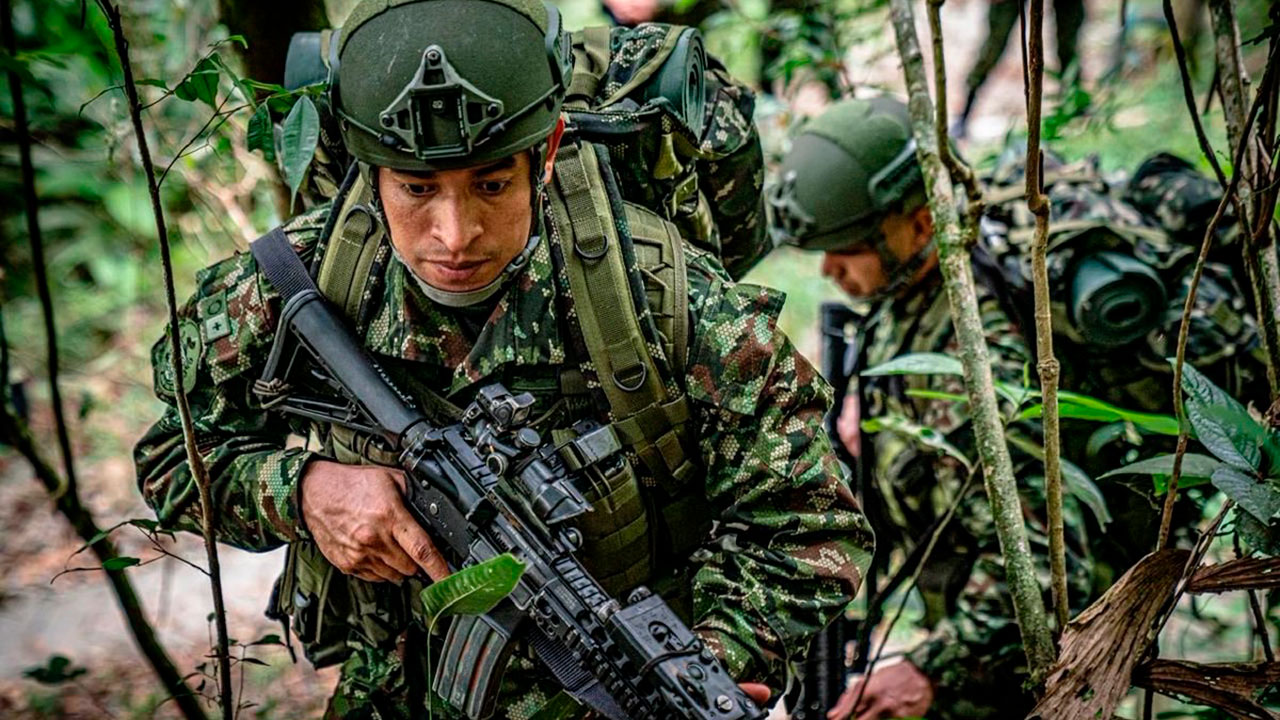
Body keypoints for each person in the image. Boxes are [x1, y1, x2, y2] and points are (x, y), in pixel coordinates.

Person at [133, 1, 875, 717]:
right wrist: (301, 489)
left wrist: (713, 659)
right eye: (417, 189)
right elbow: (174, 453)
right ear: (369, 172)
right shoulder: (303, 279)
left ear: (543, 155)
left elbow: (810, 519)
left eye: (491, 185)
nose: (455, 234)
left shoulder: (662, 296)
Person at [766, 96, 1265, 720]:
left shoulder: (981, 366)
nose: (830, 269)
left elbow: (1049, 575)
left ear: (921, 225)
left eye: (850, 247)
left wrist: (929, 669)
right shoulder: (919, 285)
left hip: (1025, 665)